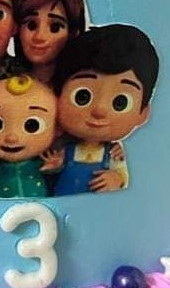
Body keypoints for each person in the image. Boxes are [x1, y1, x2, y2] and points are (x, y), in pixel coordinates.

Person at [52, 24, 159, 195]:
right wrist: (53, 165)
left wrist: (117, 178)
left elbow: (122, 175)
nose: (99, 110)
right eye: (82, 97)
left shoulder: (114, 153)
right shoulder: (65, 148)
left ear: (143, 113)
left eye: (120, 102)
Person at [16, 0, 86, 84]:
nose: (39, 37)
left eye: (55, 27)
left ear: (72, 33)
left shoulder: (80, 83)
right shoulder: (4, 80)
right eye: (31, 25)